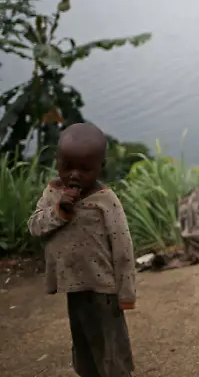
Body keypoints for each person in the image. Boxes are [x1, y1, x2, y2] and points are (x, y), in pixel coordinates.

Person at [28, 123, 136, 377]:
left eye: (85, 169)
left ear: (101, 166)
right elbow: (35, 226)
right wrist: (60, 212)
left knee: (111, 348)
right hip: (73, 286)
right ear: (57, 162)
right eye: (68, 167)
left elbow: (122, 247)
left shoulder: (106, 200)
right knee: (84, 345)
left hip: (105, 290)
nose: (75, 175)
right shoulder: (53, 193)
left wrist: (126, 292)